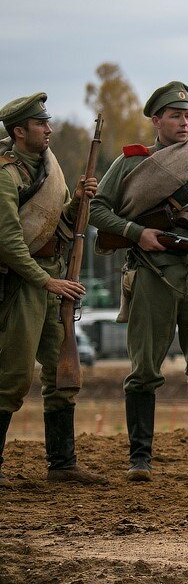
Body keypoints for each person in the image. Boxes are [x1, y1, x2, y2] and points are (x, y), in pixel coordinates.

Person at [90, 81, 188, 482]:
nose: (183, 122)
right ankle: (140, 459)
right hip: (154, 276)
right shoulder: (131, 164)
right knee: (143, 370)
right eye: (175, 116)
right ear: (156, 120)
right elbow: (98, 211)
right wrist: (137, 233)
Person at [0, 93, 104, 485]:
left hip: (51, 276)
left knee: (61, 373)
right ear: (19, 130)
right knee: (12, 378)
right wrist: (46, 281)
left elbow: (60, 224)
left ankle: (62, 464)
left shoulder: (47, 169)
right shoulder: (6, 176)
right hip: (22, 283)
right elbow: (8, 243)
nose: (49, 129)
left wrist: (78, 200)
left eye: (48, 122)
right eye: (41, 124)